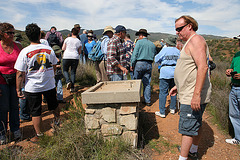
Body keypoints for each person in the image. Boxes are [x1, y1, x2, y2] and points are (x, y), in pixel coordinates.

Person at [169, 15, 211, 160]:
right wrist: (178, 86)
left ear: (189, 26)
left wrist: (196, 94)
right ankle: (193, 150)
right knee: (196, 123)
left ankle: (183, 157)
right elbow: (190, 69)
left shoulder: (196, 40)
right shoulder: (190, 42)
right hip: (188, 91)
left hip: (192, 94)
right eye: (176, 30)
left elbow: (203, 67)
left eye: (179, 29)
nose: (177, 32)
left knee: (187, 128)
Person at [14, 23, 60, 143]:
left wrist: (18, 89)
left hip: (32, 87)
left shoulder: (24, 51)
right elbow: (54, 64)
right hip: (49, 83)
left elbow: (19, 73)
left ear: (27, 36)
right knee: (54, 105)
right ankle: (57, 124)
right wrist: (51, 75)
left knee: (36, 111)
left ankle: (39, 135)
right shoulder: (49, 49)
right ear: (40, 35)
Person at [0, 22, 22, 144]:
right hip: (1, 81)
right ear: (2, 34)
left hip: (15, 80)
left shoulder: (18, 46)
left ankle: (15, 129)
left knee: (14, 106)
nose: (12, 35)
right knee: (3, 108)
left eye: (13, 32)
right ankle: (2, 133)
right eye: (9, 33)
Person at [155, 36, 180, 118]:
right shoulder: (178, 51)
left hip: (165, 72)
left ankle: (162, 111)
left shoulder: (164, 50)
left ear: (167, 43)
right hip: (175, 72)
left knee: (163, 92)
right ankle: (172, 108)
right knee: (173, 91)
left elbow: (156, 59)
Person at [131, 29, 156, 106]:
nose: (138, 37)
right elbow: (154, 54)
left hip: (139, 63)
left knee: (136, 82)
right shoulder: (152, 44)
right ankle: (147, 101)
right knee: (147, 83)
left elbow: (134, 55)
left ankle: (136, 100)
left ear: (141, 35)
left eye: (139, 35)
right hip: (148, 64)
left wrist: (132, 64)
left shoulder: (139, 42)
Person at [225, 34, 240, 145]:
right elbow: (232, 67)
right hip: (234, 87)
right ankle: (238, 139)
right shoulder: (236, 55)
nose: (238, 42)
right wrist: (229, 71)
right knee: (234, 114)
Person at [62, 27, 82, 92]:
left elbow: (63, 48)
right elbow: (79, 52)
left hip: (66, 56)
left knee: (65, 70)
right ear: (78, 33)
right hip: (75, 57)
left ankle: (68, 81)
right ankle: (72, 88)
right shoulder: (79, 41)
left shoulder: (67, 39)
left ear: (71, 33)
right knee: (73, 72)